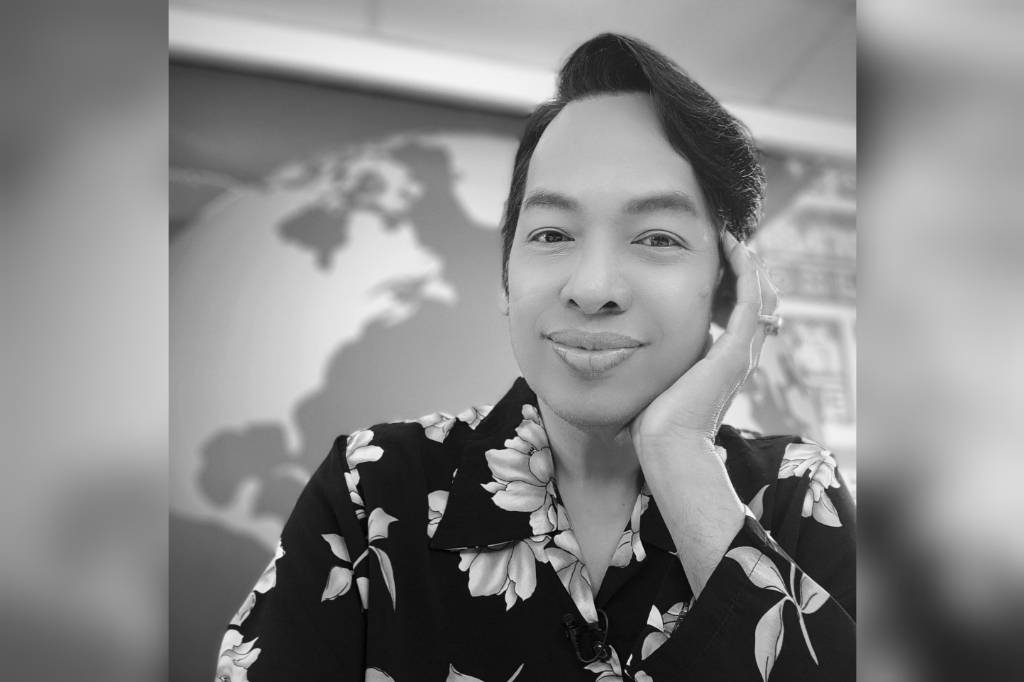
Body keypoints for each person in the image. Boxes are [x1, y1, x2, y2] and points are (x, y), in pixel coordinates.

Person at [216, 33, 855, 681]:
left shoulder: (797, 492)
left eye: (658, 237)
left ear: (731, 286)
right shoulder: (370, 489)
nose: (593, 288)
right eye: (551, 233)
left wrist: (681, 453)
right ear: (506, 277)